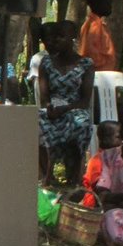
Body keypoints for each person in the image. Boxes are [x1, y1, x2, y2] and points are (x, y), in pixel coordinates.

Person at [37, 20, 94, 185]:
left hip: (74, 108)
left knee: (81, 123)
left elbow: (84, 100)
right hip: (53, 108)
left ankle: (73, 177)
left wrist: (65, 109)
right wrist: (49, 107)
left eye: (61, 36)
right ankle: (46, 176)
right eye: (54, 37)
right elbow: (44, 97)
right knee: (38, 121)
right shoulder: (46, 63)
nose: (56, 41)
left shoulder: (86, 64)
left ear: (73, 38)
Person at [79, 0, 117, 72]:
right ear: (99, 5)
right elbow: (92, 53)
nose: (110, 6)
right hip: (99, 74)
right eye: (108, 3)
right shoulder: (94, 26)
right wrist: (105, 63)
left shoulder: (93, 23)